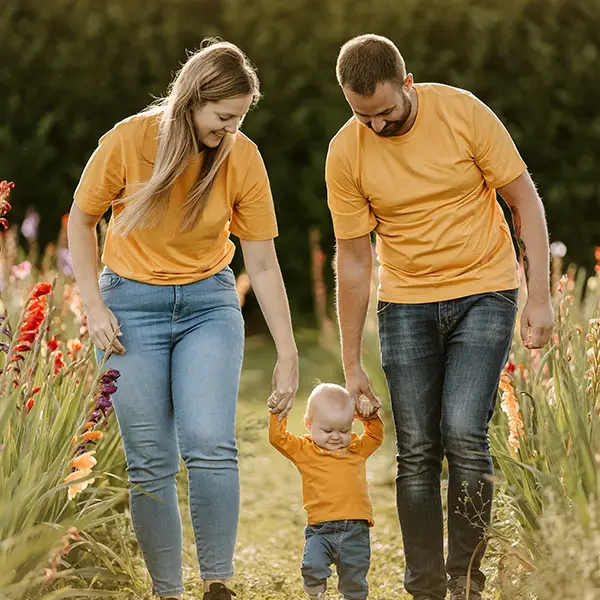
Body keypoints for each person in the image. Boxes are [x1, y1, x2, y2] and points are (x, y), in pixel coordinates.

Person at [67, 40, 299, 600]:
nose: (231, 129)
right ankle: (166, 589)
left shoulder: (241, 156)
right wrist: (94, 308)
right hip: (129, 310)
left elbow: (262, 263)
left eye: (240, 118)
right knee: (151, 461)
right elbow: (81, 219)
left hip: (208, 307)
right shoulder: (127, 141)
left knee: (210, 441)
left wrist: (288, 354)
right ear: (193, 99)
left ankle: (218, 582)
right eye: (224, 117)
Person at [326, 34, 553, 600]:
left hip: (485, 290)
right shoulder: (346, 151)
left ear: (408, 84)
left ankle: (466, 581)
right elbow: (354, 259)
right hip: (405, 301)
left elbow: (523, 200)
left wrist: (540, 296)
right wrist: (351, 362)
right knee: (419, 448)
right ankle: (425, 586)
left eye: (384, 112)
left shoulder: (463, 113)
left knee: (463, 434)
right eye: (362, 116)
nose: (375, 127)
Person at [268, 383, 384, 600]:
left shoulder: (356, 449)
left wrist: (367, 416)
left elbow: (376, 436)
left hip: (356, 530)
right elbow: (278, 438)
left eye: (344, 430)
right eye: (328, 430)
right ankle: (315, 592)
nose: (336, 437)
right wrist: (278, 412)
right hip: (320, 529)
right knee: (312, 565)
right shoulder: (304, 450)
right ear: (309, 424)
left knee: (355, 578)